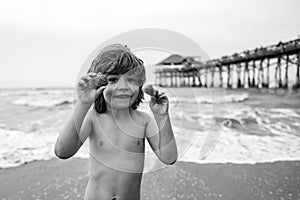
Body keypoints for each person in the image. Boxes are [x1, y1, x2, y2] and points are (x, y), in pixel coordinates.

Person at [54, 44, 178, 200]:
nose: (123, 87)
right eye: (113, 79)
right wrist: (83, 104)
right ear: (98, 84)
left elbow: (169, 157)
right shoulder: (93, 118)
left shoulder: (143, 121)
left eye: (131, 80)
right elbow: (62, 151)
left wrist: (162, 117)